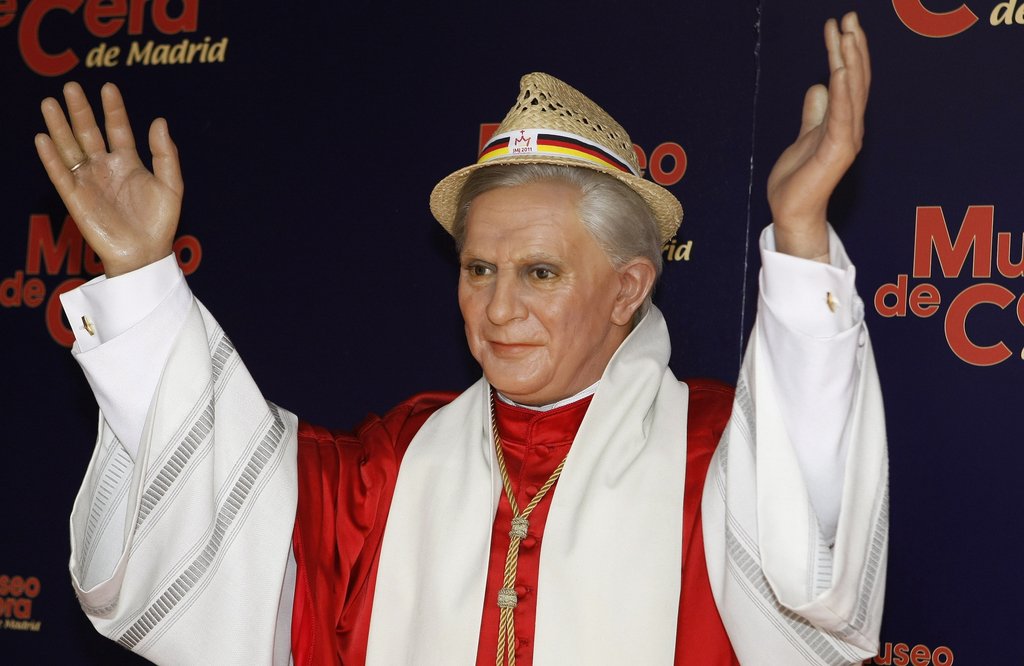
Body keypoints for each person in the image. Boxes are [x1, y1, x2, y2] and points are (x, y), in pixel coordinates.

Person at [36, 11, 886, 666]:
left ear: (628, 288)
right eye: (479, 269)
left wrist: (800, 236)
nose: (499, 308)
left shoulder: (715, 459)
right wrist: (142, 274)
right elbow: (225, 507)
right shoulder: (397, 462)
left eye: (540, 272)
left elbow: (810, 533)